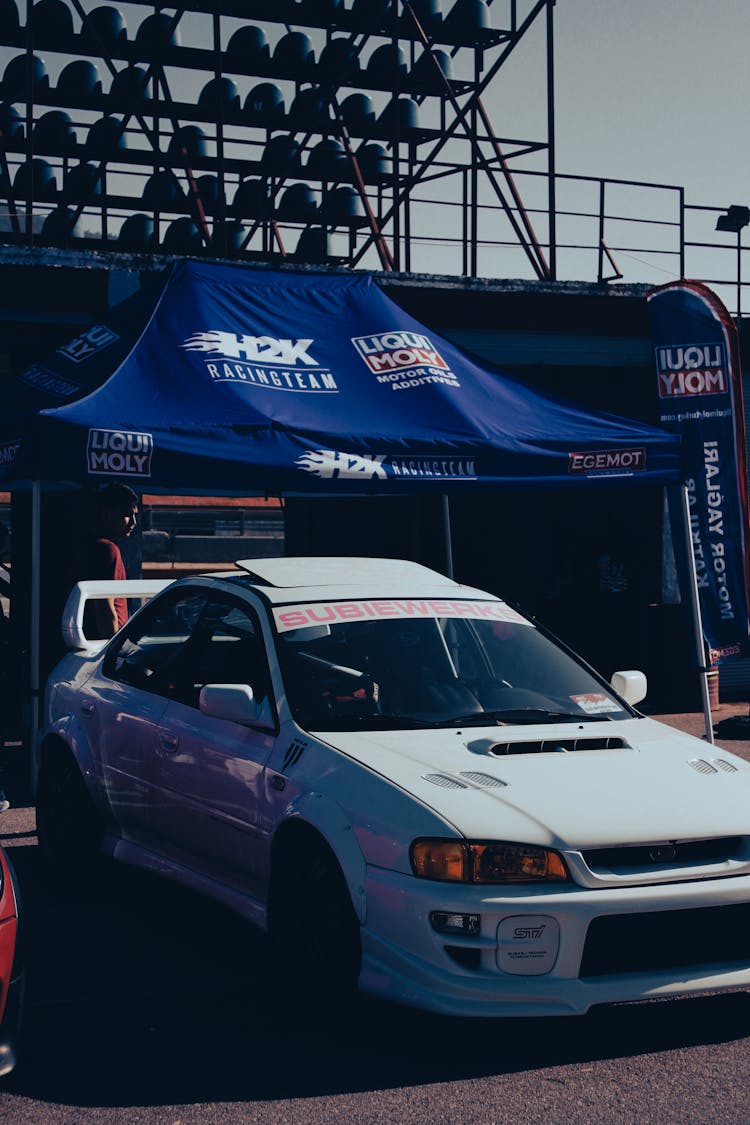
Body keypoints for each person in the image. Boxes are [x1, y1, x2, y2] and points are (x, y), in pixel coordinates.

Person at [81, 484, 139, 640]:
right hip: (106, 643)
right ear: (107, 513)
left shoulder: (91, 545)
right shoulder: (107, 550)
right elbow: (105, 609)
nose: (133, 522)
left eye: (135, 515)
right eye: (127, 514)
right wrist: (112, 653)